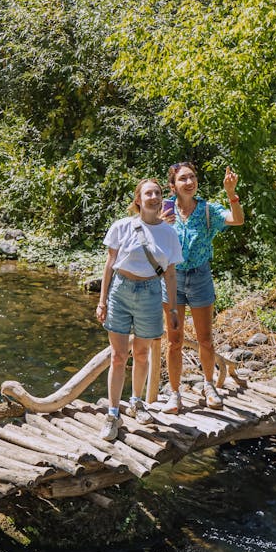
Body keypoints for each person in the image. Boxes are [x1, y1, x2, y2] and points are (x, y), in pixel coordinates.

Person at [95, 179, 183, 440]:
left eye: (157, 193)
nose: (154, 197)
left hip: (150, 293)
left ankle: (136, 403)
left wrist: (174, 310)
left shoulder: (169, 233)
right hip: (120, 291)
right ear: (138, 199)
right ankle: (112, 414)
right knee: (119, 356)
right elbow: (109, 265)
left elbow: (170, 274)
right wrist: (102, 300)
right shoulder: (122, 227)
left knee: (142, 354)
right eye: (148, 193)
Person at [159, 162, 244, 412]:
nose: (189, 182)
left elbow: (237, 220)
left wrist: (231, 193)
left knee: (205, 340)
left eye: (192, 177)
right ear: (173, 186)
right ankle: (175, 394)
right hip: (172, 280)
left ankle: (209, 385)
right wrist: (158, 225)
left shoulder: (207, 210)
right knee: (174, 341)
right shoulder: (164, 209)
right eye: (183, 179)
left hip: (200, 278)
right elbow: (145, 237)